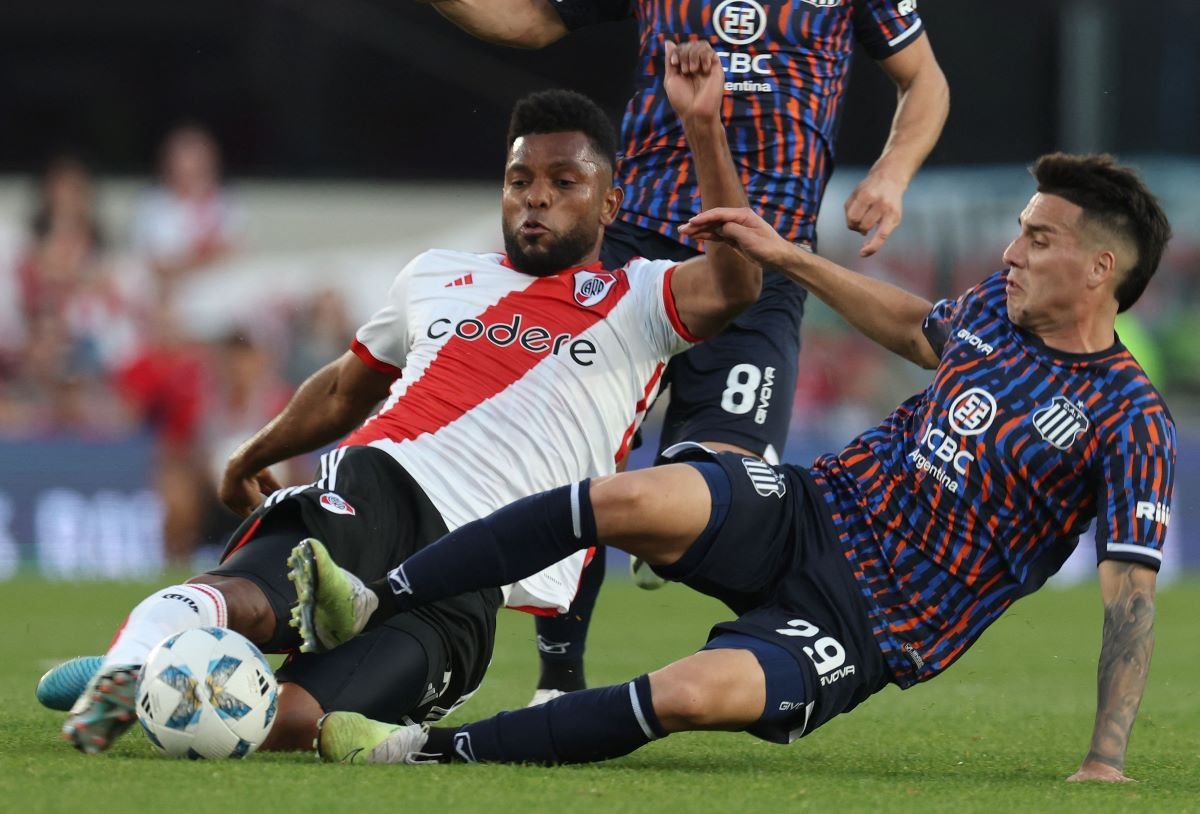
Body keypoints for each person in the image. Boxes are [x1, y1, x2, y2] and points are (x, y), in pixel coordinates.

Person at [301, 153, 1174, 783]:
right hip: (814, 508)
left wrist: (1105, 760)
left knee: (685, 694)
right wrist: (790, 256)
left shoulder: (1130, 419)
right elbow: (918, 329)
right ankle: (382, 595)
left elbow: (1132, 595)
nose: (1012, 252)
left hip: (873, 620)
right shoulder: (996, 307)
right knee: (630, 495)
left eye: (1038, 238)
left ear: (1100, 269)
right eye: (1019, 232)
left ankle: (425, 750)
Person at [56, 41, 760, 755]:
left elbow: (738, 284)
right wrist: (252, 454)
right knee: (247, 602)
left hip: (478, 569)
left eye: (562, 181)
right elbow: (343, 388)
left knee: (297, 725)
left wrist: (702, 125)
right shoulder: (437, 275)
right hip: (385, 485)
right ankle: (128, 669)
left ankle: (150, 664)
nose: (536, 196)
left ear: (610, 202)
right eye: (519, 179)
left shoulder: (640, 297)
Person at [415, 0, 949, 703]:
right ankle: (559, 680)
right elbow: (533, 19)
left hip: (763, 257)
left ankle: (666, 517)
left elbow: (925, 81)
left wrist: (890, 173)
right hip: (637, 241)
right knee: (576, 452)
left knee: (723, 492)